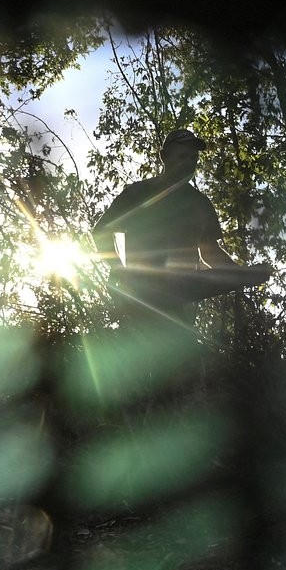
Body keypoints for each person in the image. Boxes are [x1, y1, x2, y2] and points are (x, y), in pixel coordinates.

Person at [91, 128, 269, 397]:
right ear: (163, 156)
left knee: (182, 373)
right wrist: (120, 271)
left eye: (193, 158)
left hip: (181, 298)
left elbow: (210, 253)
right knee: (143, 370)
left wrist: (244, 274)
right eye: (182, 156)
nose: (188, 162)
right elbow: (102, 231)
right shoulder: (138, 193)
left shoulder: (199, 204)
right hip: (139, 294)